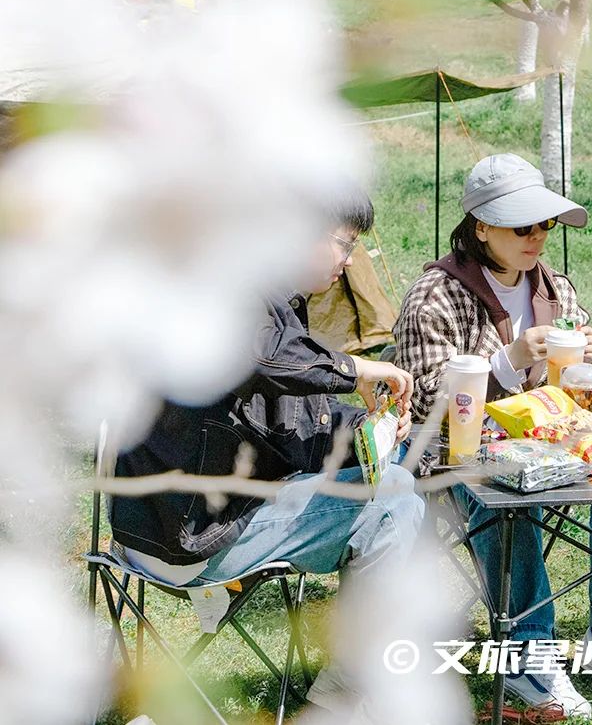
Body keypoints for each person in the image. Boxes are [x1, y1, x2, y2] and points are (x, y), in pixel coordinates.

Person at [109, 189, 423, 714]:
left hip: (151, 521)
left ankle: (348, 690)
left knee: (399, 488)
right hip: (189, 537)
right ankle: (346, 696)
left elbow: (287, 422)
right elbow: (271, 363)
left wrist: (375, 427)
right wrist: (356, 369)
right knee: (396, 503)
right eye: (344, 245)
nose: (348, 263)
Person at [394, 152, 592, 720]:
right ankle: (526, 654)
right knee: (504, 488)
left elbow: (577, 399)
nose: (537, 236)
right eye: (523, 226)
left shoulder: (556, 289)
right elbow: (422, 400)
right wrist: (505, 360)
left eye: (544, 223)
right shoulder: (436, 294)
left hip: (550, 441)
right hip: (454, 451)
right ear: (481, 227)